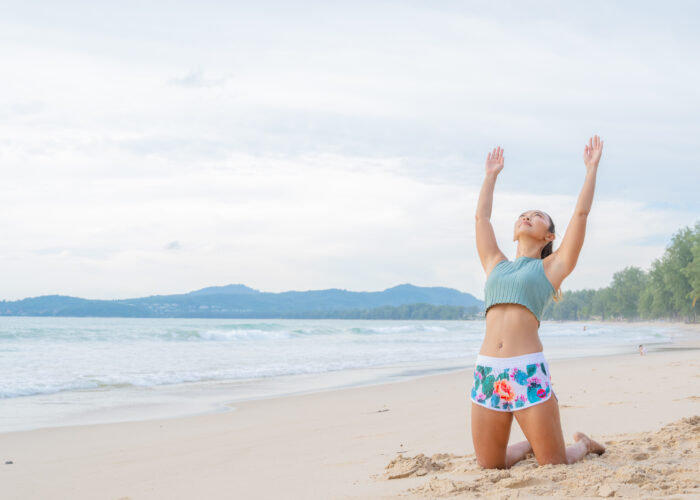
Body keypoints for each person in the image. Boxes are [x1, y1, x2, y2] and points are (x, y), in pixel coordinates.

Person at [471, 135, 606, 469]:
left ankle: (584, 445)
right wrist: (490, 177)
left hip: (527, 371)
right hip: (488, 371)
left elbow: (581, 214)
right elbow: (481, 220)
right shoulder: (495, 263)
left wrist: (591, 170)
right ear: (516, 230)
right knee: (490, 466)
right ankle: (530, 444)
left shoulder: (552, 268)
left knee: (556, 464)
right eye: (523, 215)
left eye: (537, 215)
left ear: (549, 235)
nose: (527, 216)